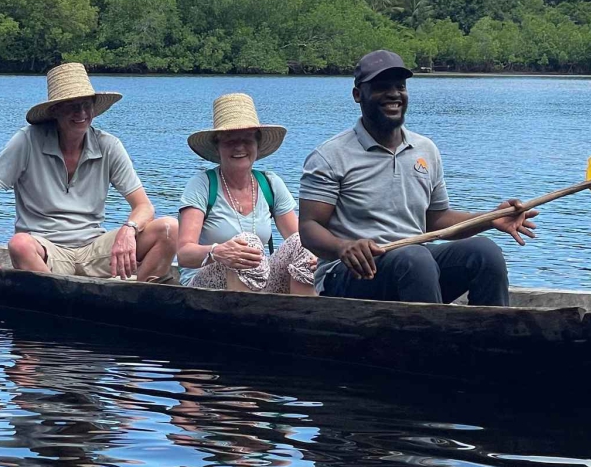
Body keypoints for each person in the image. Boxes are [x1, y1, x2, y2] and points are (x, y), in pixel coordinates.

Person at [297, 49, 536, 305]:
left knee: (484, 252)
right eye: (380, 87)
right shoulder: (329, 156)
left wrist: (492, 219)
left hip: (416, 269)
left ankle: (491, 340)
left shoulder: (425, 150)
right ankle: (431, 342)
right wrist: (342, 247)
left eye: (400, 86)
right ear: (358, 95)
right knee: (415, 258)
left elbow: (437, 220)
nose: (393, 94)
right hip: (349, 275)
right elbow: (309, 228)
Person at [0, 62, 177, 288]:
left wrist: (129, 229)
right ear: (55, 110)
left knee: (169, 229)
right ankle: (59, 301)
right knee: (19, 244)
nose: (82, 114)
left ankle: (133, 296)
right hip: (46, 250)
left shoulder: (108, 145)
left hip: (94, 249)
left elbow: (144, 206)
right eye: (72, 106)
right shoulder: (28, 140)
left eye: (87, 105)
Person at [175, 93, 318, 295]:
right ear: (218, 147)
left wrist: (319, 256)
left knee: (302, 244)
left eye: (247, 140)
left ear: (257, 145)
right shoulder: (202, 184)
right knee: (247, 243)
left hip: (259, 278)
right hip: (203, 285)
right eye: (230, 141)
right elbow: (184, 254)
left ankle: (304, 319)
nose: (240, 147)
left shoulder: (270, 183)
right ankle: (243, 323)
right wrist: (217, 252)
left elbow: (297, 238)